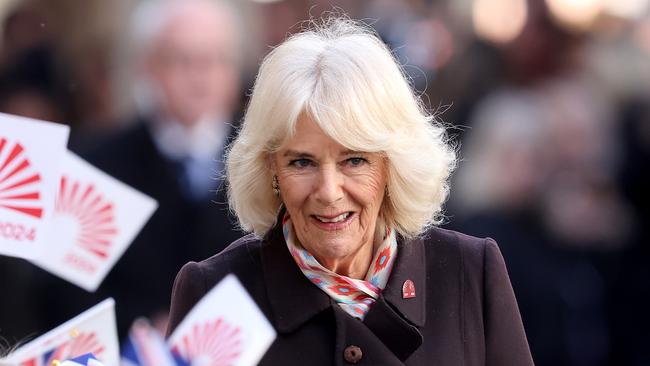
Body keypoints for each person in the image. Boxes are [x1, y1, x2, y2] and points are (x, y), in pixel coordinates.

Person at [167, 17, 534, 365]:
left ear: (393, 164)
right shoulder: (215, 291)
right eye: (301, 162)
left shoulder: (469, 273)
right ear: (271, 170)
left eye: (354, 160)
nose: (328, 192)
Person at [34, 0, 244, 339]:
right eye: (183, 59)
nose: (201, 74)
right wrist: (140, 329)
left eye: (216, 59)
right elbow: (64, 290)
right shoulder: (96, 163)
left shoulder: (267, 162)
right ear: (149, 66)